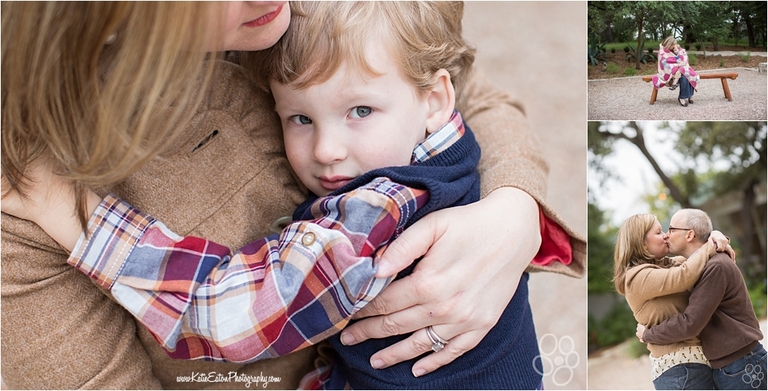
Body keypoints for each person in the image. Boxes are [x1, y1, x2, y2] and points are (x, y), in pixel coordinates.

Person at [1, 2, 585, 389]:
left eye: (360, 111)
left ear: (434, 100)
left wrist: (514, 211)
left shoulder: (375, 208)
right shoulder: (425, 136)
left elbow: (231, 314)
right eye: (299, 118)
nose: (328, 151)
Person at [638, 209, 766, 390]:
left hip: (741, 364)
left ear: (690, 235)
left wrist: (648, 335)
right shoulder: (699, 266)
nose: (666, 235)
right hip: (732, 365)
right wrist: (716, 237)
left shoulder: (715, 266)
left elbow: (690, 323)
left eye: (671, 229)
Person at [613, 213, 732, 389]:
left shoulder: (665, 265)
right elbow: (684, 275)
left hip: (693, 365)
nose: (666, 236)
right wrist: (710, 245)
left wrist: (715, 235)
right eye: (659, 232)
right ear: (642, 243)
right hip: (679, 371)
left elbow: (694, 255)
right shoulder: (636, 277)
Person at [652, 36, 700, 107]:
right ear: (668, 44)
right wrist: (677, 65)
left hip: (680, 69)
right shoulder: (662, 52)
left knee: (690, 74)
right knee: (684, 76)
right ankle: (683, 97)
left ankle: (688, 95)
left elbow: (683, 56)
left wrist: (681, 61)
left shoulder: (676, 48)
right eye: (672, 45)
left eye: (674, 44)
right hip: (669, 72)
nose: (674, 46)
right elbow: (665, 64)